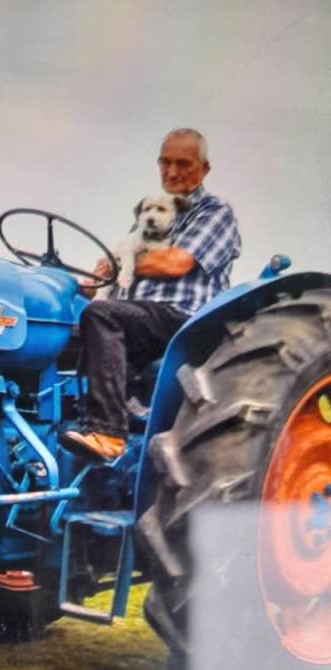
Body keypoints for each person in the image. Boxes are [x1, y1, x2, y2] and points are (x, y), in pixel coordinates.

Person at [61, 128, 241, 460]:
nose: (172, 172)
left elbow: (175, 263)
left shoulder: (214, 213)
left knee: (102, 316)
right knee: (61, 335)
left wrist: (118, 262)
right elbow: (121, 277)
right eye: (165, 163)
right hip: (140, 317)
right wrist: (90, 284)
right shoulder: (147, 218)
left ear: (204, 169)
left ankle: (108, 434)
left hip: (184, 320)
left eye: (183, 164)